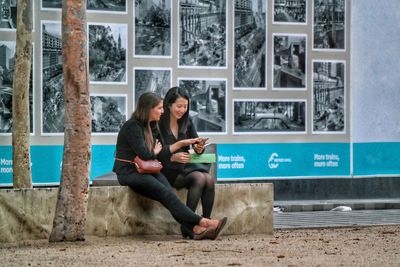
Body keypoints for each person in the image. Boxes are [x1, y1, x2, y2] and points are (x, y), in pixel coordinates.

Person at [113, 92, 227, 240]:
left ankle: (194, 229)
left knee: (169, 195)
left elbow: (153, 153)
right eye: (159, 108)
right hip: (130, 172)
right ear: (148, 109)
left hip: (149, 168)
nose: (162, 111)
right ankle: (204, 222)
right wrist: (156, 151)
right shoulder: (132, 126)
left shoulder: (152, 125)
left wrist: (155, 151)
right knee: (165, 194)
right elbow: (146, 154)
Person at [158, 87, 216, 239]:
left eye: (185, 106)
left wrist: (199, 148)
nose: (182, 110)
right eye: (179, 106)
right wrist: (171, 157)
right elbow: (155, 153)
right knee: (201, 178)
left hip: (184, 168)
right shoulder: (159, 123)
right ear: (169, 105)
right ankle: (189, 225)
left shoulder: (188, 121)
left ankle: (205, 223)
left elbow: (196, 146)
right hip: (167, 170)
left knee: (208, 179)